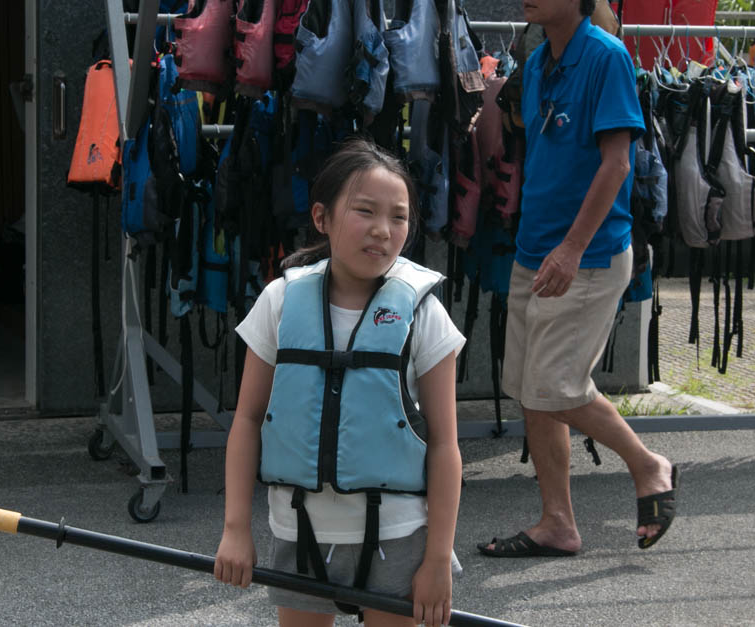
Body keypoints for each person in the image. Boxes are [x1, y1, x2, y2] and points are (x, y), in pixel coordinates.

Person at [214, 138, 465, 627]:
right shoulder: (279, 301)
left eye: (399, 217)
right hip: (299, 528)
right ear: (321, 217)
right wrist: (235, 528)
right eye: (365, 211)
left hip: (398, 535)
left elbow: (444, 445)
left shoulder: (424, 314)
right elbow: (246, 420)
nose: (383, 230)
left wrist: (438, 559)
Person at [478, 0, 679, 558]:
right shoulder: (539, 59)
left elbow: (617, 162)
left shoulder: (605, 57)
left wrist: (571, 249)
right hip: (535, 250)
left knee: (555, 389)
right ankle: (558, 523)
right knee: (533, 394)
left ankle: (648, 465)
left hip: (585, 257)